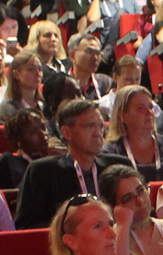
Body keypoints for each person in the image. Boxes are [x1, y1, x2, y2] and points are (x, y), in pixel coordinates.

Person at [16, 97, 113, 229]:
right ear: (66, 132)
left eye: (101, 126)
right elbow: (26, 227)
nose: (98, 133)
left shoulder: (114, 167)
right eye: (89, 126)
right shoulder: (42, 172)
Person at [104, 84, 163, 182]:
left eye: (150, 107)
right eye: (140, 108)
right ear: (122, 116)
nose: (149, 112)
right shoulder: (110, 153)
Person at [0, 105, 54, 193]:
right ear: (18, 140)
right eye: (33, 132)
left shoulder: (56, 157)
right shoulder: (9, 162)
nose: (43, 134)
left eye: (44, 128)